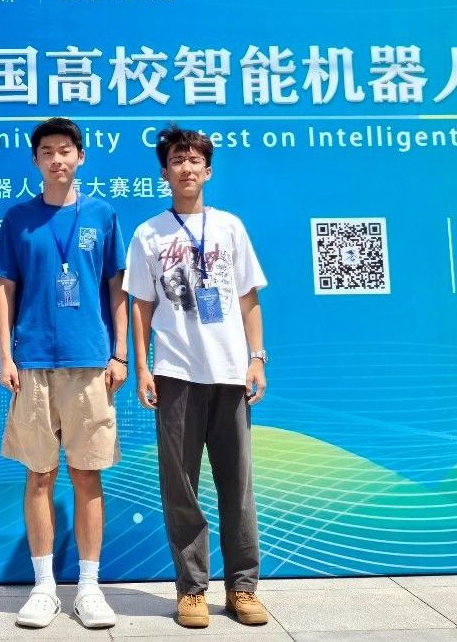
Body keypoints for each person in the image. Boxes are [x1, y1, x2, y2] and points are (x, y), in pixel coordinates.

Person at [125, 126, 270, 629]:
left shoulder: (229, 227)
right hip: (175, 374)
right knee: (181, 487)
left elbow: (249, 296)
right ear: (164, 173)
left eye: (194, 161)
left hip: (230, 374)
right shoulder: (148, 234)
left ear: (207, 170)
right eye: (176, 161)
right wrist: (142, 366)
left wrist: (257, 357)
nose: (186, 168)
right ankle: (191, 589)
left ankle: (243, 587)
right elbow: (141, 305)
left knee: (238, 486)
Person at [0, 117, 128, 630]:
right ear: (35, 160)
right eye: (47, 151)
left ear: (80, 156)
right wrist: (5, 356)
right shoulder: (18, 219)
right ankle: (44, 587)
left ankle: (89, 588)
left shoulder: (102, 214)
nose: (57, 159)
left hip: (90, 361)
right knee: (38, 475)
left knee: (87, 473)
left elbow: (116, 287)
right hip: (32, 362)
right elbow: (5, 289)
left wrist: (120, 354)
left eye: (65, 150)